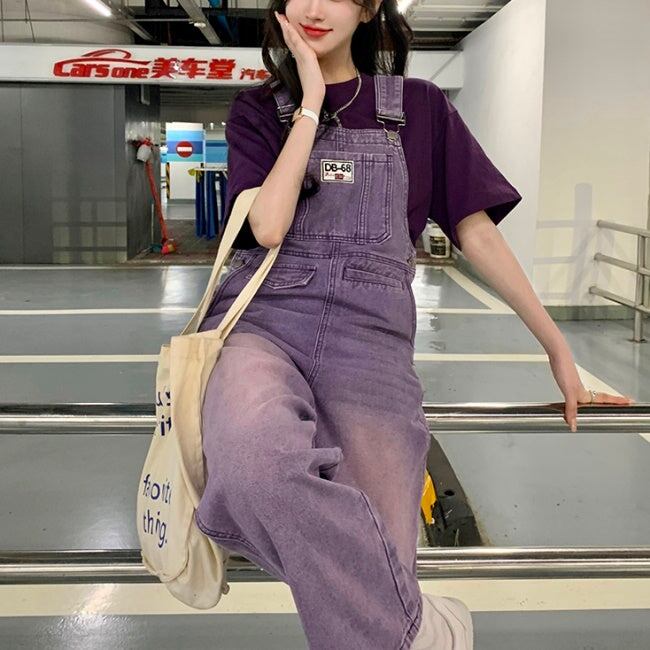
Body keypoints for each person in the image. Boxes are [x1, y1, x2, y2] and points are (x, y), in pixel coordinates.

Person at [194, 1, 634, 648]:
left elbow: (476, 234)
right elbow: (267, 224)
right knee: (254, 466)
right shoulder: (258, 112)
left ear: (369, 6)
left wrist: (555, 343)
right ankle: (422, 629)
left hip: (370, 342)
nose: (313, 8)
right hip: (265, 324)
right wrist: (310, 100)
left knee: (377, 572)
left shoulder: (420, 107)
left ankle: (403, 626)